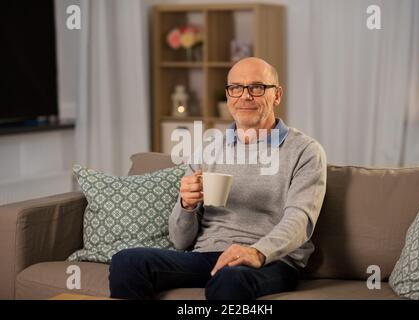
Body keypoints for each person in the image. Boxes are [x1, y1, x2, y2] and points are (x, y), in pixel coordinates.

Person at [109, 57, 327, 300]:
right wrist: (186, 206)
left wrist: (257, 252)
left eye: (257, 87)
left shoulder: (305, 151)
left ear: (276, 95)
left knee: (230, 278)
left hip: (271, 261)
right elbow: (180, 241)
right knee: (127, 261)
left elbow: (300, 220)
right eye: (236, 88)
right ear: (228, 95)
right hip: (207, 256)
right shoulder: (207, 149)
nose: (245, 96)